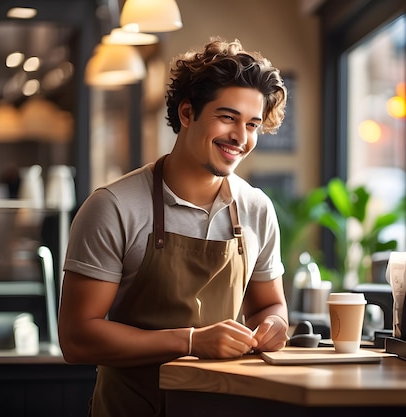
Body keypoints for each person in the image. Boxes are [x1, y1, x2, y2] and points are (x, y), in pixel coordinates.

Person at [57, 37, 289, 417]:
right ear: (186, 113)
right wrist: (192, 341)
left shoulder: (256, 208)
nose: (241, 138)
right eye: (227, 117)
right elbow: (78, 338)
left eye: (252, 125)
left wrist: (274, 325)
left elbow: (269, 304)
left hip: (223, 405)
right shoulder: (113, 207)